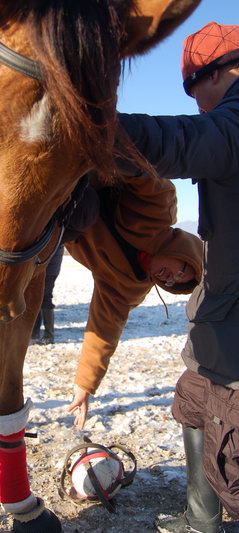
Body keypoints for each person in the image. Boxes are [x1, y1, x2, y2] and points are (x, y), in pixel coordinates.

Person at [116, 22, 239, 533]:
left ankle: (219, 516)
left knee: (232, 457)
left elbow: (184, 140)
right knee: (191, 397)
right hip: (221, 316)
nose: (195, 103)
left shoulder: (231, 122)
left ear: (222, 72)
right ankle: (202, 522)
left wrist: (99, 128)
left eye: (194, 88)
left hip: (236, 344)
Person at [65, 175, 202, 427]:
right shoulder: (159, 212)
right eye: (182, 270)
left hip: (58, 219)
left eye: (176, 282)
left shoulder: (129, 285)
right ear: (183, 250)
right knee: (86, 206)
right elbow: (147, 173)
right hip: (87, 169)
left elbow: (105, 331)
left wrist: (85, 387)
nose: (172, 278)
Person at [31, 244, 64, 344]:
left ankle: (49, 335)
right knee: (36, 298)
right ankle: (34, 331)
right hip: (44, 269)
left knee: (45, 298)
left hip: (48, 270)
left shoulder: (54, 234)